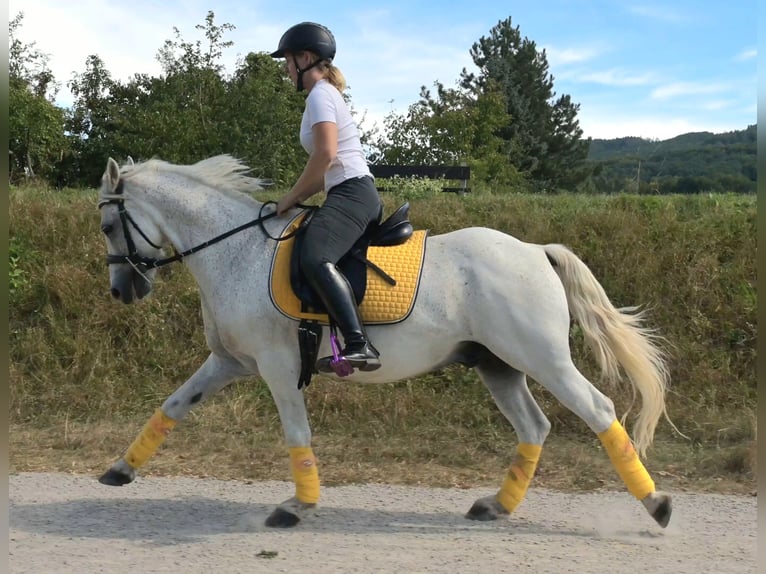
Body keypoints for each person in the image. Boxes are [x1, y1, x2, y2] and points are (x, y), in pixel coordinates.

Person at [270, 22, 383, 372]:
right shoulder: (322, 96)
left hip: (353, 193)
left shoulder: (320, 94)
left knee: (315, 256)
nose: (286, 69)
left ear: (305, 58)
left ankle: (358, 344)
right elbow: (324, 171)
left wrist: (287, 199)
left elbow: (326, 157)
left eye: (287, 61)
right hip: (346, 190)